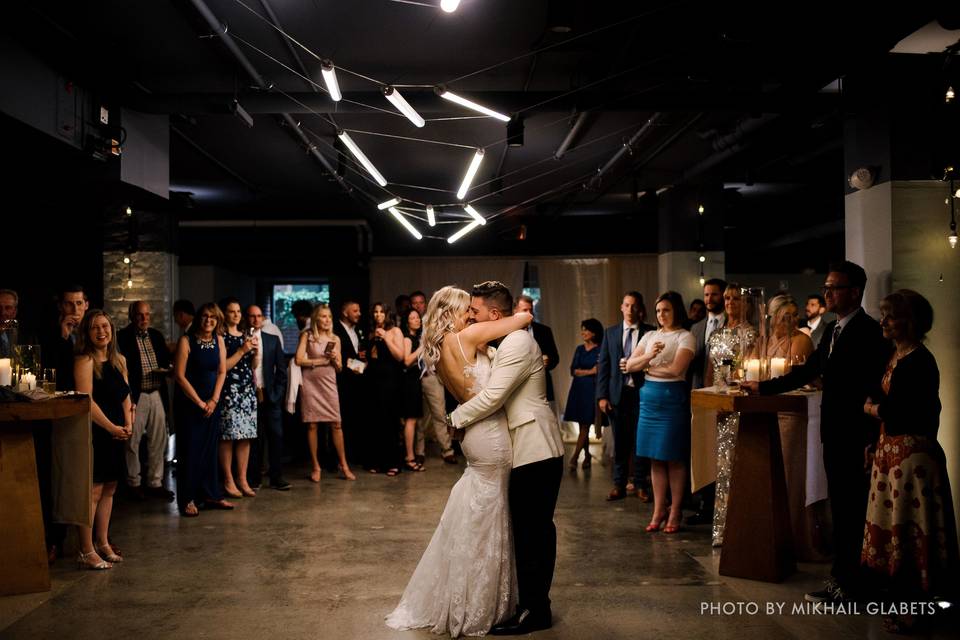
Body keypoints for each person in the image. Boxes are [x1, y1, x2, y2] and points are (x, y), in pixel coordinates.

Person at [385, 284, 538, 636]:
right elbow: (524, 317)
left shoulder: (438, 348)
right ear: (452, 312)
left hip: (473, 436)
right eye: (467, 309)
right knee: (493, 513)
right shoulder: (467, 337)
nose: (472, 314)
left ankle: (464, 593)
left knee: (479, 513)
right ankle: (481, 602)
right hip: (491, 435)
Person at [743, 261, 890, 604]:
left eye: (834, 287)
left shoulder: (868, 332)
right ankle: (843, 579)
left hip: (856, 435)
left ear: (854, 292)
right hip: (833, 431)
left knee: (853, 510)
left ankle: (852, 584)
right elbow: (809, 371)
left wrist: (871, 437)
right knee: (842, 507)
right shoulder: (832, 330)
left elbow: (875, 386)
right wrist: (763, 388)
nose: (826, 293)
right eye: (825, 287)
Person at [447, 281, 565, 635]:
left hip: (536, 448)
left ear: (494, 315)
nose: (471, 318)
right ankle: (528, 603)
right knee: (528, 531)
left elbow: (495, 396)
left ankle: (536, 611)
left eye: (476, 312)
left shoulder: (516, 342)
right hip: (526, 448)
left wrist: (455, 418)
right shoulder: (508, 343)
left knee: (535, 533)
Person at [861, 290, 958, 633]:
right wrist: (875, 440)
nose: (884, 321)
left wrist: (872, 410)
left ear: (911, 321)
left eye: (891, 315)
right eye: (883, 315)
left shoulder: (920, 360)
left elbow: (898, 410)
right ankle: (903, 603)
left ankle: (918, 609)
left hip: (912, 462)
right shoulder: (895, 356)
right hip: (892, 456)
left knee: (914, 536)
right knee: (897, 536)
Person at [624, 291, 696, 534]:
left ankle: (675, 510)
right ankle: (658, 509)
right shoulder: (650, 335)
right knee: (654, 457)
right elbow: (629, 365)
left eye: (666, 310)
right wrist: (649, 356)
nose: (661, 315)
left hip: (672, 399)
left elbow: (677, 369)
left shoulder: (686, 336)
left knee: (673, 457)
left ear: (676, 310)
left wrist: (648, 368)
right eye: (657, 311)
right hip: (649, 400)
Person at [74, 310, 133, 569]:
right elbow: (86, 401)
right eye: (95, 327)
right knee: (93, 491)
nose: (102, 331)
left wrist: (128, 424)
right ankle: (86, 550)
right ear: (87, 333)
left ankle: (103, 542)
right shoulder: (85, 361)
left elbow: (126, 396)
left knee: (110, 488)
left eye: (105, 326)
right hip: (96, 432)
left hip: (117, 432)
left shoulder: (119, 360)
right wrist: (111, 427)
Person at [173, 303, 231, 517]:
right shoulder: (186, 341)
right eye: (205, 316)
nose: (209, 321)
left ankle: (211, 494)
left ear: (218, 321)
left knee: (209, 449)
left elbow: (222, 372)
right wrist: (199, 402)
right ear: (199, 318)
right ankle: (188, 498)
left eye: (213, 318)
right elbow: (179, 376)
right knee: (190, 451)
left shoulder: (220, 341)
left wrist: (214, 400)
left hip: (212, 403)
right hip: (190, 404)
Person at [596, 292, 654, 502]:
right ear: (621, 307)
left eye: (634, 306)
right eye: (627, 305)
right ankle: (618, 485)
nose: (630, 310)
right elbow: (604, 366)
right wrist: (602, 396)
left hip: (642, 393)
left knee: (640, 441)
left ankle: (640, 484)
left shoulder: (650, 332)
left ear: (639, 308)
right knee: (620, 442)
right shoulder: (610, 333)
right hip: (616, 396)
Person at [117, 301, 174, 501]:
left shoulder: (156, 336)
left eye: (147, 315)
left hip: (156, 392)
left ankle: (155, 483)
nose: (144, 319)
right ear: (132, 316)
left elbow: (166, 362)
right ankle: (133, 483)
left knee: (159, 440)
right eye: (140, 315)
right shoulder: (122, 337)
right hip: (136, 394)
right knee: (132, 441)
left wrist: (169, 370)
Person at [295, 304, 355, 482]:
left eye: (329, 316)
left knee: (336, 425)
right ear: (316, 319)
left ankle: (344, 465)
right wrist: (321, 361)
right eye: (323, 316)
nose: (327, 320)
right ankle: (316, 466)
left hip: (329, 384)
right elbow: (298, 359)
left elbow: (340, 368)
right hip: (310, 384)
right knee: (312, 425)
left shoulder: (335, 339)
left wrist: (336, 361)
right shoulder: (307, 336)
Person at [686, 278, 727, 525]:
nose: (709, 299)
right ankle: (705, 503)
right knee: (703, 451)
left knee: (720, 450)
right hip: (698, 393)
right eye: (707, 294)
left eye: (714, 294)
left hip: (721, 394)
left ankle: (721, 506)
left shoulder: (731, 325)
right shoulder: (696, 327)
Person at [246, 305, 291, 491]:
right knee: (254, 439)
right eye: (252, 316)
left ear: (263, 318)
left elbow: (282, 371)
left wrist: (278, 394)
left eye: (259, 316)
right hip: (248, 395)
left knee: (276, 436)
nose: (256, 320)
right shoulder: (241, 340)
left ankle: (276, 477)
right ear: (246, 319)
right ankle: (254, 478)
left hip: (270, 394)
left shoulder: (272, 340)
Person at [217, 298, 258, 498]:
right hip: (228, 390)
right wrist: (242, 351)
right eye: (231, 311)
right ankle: (228, 479)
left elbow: (254, 365)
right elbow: (223, 366)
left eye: (239, 311)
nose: (236, 314)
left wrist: (256, 352)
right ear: (224, 314)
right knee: (228, 436)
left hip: (246, 390)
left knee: (246, 436)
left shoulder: (245, 335)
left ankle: (242, 478)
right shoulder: (221, 336)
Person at [414, 289, 459, 466]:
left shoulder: (433, 322)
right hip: (414, 378)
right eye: (414, 303)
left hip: (431, 376)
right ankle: (419, 452)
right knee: (418, 417)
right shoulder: (408, 323)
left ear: (425, 304)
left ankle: (447, 450)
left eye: (420, 302)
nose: (418, 306)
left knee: (439, 414)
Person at [365, 302, 405, 476]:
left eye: (381, 312)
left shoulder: (395, 332)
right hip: (373, 382)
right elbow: (371, 358)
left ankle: (393, 463)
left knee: (390, 421)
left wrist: (386, 338)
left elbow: (400, 356)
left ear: (387, 314)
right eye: (375, 312)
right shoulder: (371, 334)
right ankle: (377, 462)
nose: (378, 315)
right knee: (375, 422)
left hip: (390, 382)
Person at [564, 318, 604, 470]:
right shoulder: (579, 349)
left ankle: (574, 458)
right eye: (582, 329)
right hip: (578, 390)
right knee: (582, 426)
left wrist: (584, 372)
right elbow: (573, 370)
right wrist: (590, 371)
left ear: (594, 332)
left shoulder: (600, 349)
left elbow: (599, 371)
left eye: (586, 329)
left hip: (591, 391)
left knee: (586, 425)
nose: (583, 332)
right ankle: (587, 456)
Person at [333, 300, 367, 464]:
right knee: (341, 420)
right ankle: (338, 459)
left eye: (359, 310)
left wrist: (364, 363)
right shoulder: (336, 331)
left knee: (356, 418)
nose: (359, 313)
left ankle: (354, 455)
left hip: (358, 382)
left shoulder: (359, 330)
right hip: (342, 381)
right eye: (355, 311)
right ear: (345, 313)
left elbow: (360, 352)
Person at [514, 295, 560, 410]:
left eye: (531, 310)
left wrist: (548, 361)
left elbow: (555, 358)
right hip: (516, 388)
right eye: (525, 310)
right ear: (515, 310)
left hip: (542, 388)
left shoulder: (544, 331)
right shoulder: (505, 331)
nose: (529, 313)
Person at [400, 308, 425, 472]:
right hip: (408, 382)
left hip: (415, 381)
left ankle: (411, 456)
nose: (417, 320)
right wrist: (421, 348)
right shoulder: (408, 339)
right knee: (410, 420)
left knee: (414, 420)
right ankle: (409, 457)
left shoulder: (416, 337)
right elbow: (406, 360)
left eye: (418, 317)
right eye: (413, 318)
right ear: (407, 321)